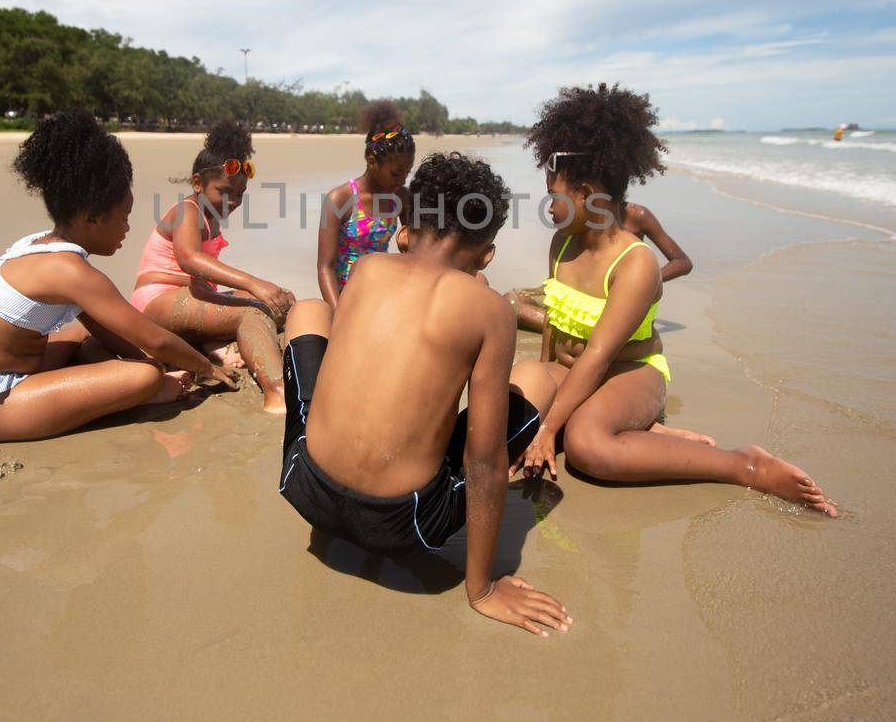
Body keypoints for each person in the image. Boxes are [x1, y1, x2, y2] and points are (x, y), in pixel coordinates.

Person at [279, 152, 572, 637]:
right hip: (401, 525)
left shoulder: (369, 268)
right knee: (538, 379)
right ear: (486, 254)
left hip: (304, 486)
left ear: (404, 229)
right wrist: (482, 587)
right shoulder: (490, 310)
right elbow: (484, 459)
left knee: (308, 312)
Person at [511, 84, 837, 515]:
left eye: (554, 197)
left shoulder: (635, 263)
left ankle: (745, 464)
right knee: (517, 388)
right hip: (571, 373)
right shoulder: (562, 245)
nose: (548, 209)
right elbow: (553, 330)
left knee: (588, 449)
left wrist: (548, 428)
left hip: (628, 372)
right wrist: (540, 392)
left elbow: (600, 358)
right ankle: (643, 432)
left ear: (587, 194)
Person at [0, 112, 235, 443]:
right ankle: (150, 393)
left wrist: (153, 357)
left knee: (81, 334)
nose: (128, 229)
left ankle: (114, 383)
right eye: (123, 218)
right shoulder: (73, 273)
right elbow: (154, 339)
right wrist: (208, 367)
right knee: (144, 376)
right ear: (92, 219)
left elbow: (113, 331)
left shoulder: (39, 246)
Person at [130, 119, 296, 413]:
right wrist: (251, 283)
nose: (233, 202)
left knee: (283, 300)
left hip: (189, 299)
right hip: (158, 299)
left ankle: (206, 344)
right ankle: (277, 392)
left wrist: (261, 291)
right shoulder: (187, 211)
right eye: (225, 192)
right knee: (251, 313)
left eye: (240, 195)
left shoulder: (211, 218)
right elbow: (189, 259)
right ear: (198, 183)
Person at [507, 200, 691, 334]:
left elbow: (682, 262)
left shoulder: (637, 216)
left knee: (511, 306)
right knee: (510, 300)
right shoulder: (584, 216)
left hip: (609, 296)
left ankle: (578, 329)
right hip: (576, 288)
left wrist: (638, 283)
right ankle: (574, 326)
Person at [316, 101, 416, 307]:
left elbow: (414, 252)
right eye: (396, 173)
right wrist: (339, 314)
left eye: (408, 172)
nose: (403, 180)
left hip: (383, 289)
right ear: (372, 162)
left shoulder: (401, 197)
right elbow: (325, 267)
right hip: (347, 295)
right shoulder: (340, 199)